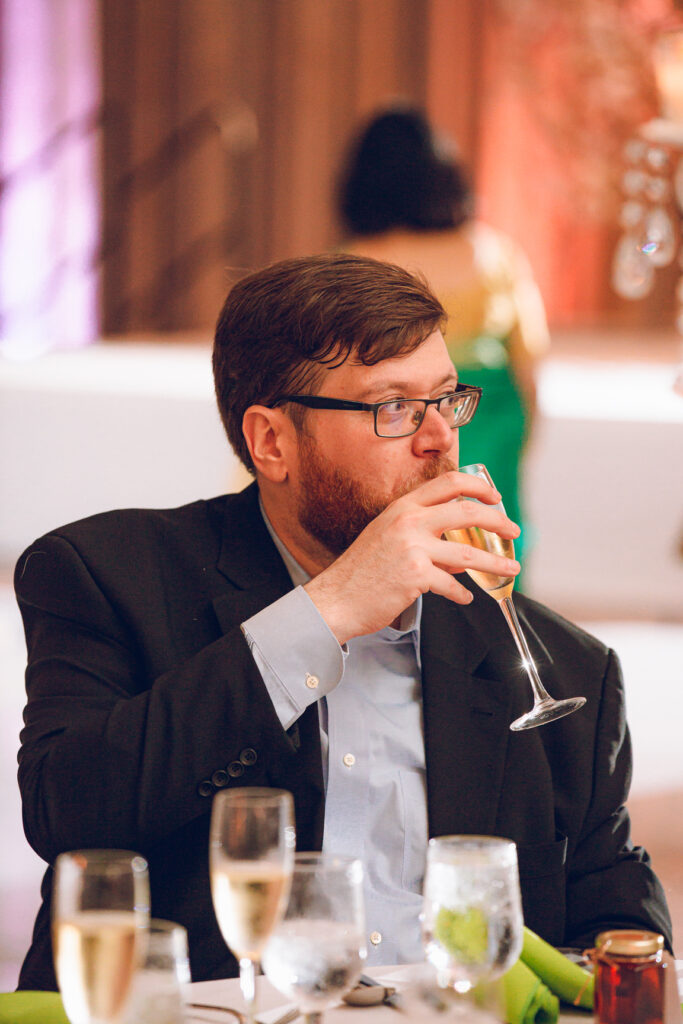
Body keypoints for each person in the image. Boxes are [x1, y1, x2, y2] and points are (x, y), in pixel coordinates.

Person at [14, 253, 671, 991]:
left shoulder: (563, 673)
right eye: (392, 407)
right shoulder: (106, 574)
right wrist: (323, 614)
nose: (438, 440)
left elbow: (621, 936)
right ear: (271, 442)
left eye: (446, 400)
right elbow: (69, 813)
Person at [338, 106, 550, 571]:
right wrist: (526, 426)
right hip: (489, 412)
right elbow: (529, 354)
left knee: (416, 543)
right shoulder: (493, 252)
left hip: (399, 418)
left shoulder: (358, 262)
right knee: (494, 541)